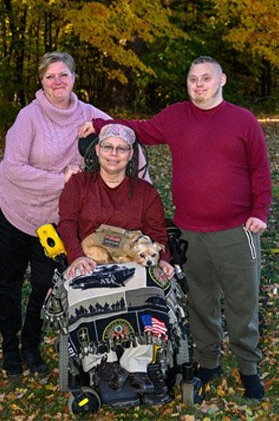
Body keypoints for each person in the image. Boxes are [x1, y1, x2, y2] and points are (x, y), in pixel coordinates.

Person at [78, 56, 272, 400]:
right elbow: (141, 129)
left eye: (206, 78)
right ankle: (209, 362)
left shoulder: (243, 121)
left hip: (236, 230)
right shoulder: (177, 116)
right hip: (189, 231)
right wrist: (99, 123)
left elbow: (260, 170)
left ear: (221, 80)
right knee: (200, 302)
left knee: (243, 304)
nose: (199, 85)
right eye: (193, 79)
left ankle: (249, 369)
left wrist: (260, 211)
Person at [0, 51, 114, 378]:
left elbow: (123, 133)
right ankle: (9, 348)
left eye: (63, 75)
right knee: (11, 283)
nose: (57, 81)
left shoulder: (87, 113)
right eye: (50, 77)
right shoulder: (28, 117)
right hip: (12, 207)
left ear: (74, 78)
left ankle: (30, 344)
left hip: (51, 216)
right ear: (41, 82)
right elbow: (14, 169)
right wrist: (63, 180)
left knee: (45, 284)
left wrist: (141, 181)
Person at [57, 123, 175, 380]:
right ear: (97, 150)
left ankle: (138, 363)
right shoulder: (79, 184)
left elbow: (157, 234)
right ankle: (100, 361)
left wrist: (163, 260)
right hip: (91, 259)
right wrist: (76, 256)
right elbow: (66, 223)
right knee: (79, 284)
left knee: (151, 281)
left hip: (132, 263)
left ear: (131, 154)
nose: (113, 154)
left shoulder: (146, 193)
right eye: (108, 147)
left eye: (121, 149)